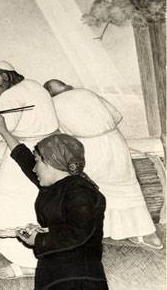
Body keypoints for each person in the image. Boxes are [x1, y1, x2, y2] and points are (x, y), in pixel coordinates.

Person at [0, 112, 108, 290]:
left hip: (78, 286)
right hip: (60, 282)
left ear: (53, 162)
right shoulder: (59, 185)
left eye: (38, 161)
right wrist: (4, 132)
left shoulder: (80, 192)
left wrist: (39, 239)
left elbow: (78, 232)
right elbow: (24, 160)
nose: (34, 168)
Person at [0, 61, 59, 280]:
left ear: (5, 75)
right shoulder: (34, 85)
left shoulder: (10, 96)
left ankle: (27, 262)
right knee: (44, 203)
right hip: (51, 151)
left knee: (11, 200)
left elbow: (0, 132)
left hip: (27, 152)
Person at [44, 79, 162, 250]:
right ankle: (145, 233)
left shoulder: (53, 104)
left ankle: (93, 234)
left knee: (93, 188)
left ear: (49, 92)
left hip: (89, 147)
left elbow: (54, 132)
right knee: (127, 186)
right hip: (115, 141)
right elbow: (117, 116)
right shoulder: (88, 93)